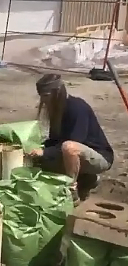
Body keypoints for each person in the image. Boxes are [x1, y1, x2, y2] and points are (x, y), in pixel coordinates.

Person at [28, 74, 113, 202]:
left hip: (99, 157)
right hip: (75, 155)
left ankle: (71, 190)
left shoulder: (77, 108)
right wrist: (40, 149)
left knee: (69, 148)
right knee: (41, 163)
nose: (43, 101)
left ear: (57, 93)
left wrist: (45, 152)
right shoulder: (57, 110)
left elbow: (75, 142)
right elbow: (55, 140)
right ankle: (87, 180)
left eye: (46, 96)